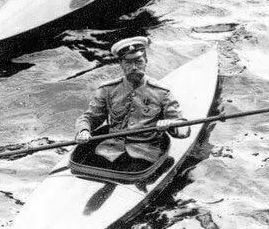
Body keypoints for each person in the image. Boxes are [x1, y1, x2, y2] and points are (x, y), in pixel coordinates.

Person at [74, 37, 190, 171]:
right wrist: (83, 130)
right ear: (121, 64)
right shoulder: (107, 90)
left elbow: (183, 131)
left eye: (138, 62)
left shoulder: (162, 93)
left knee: (134, 169)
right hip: (110, 150)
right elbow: (90, 117)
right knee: (88, 163)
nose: (134, 67)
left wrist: (171, 125)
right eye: (128, 63)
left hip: (146, 153)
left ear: (146, 62)